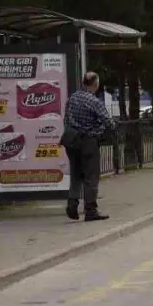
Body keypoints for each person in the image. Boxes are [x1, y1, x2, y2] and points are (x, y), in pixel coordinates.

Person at [61, 71, 115, 221]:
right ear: (96, 84)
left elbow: (65, 119)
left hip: (71, 140)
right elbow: (108, 122)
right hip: (88, 142)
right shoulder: (94, 101)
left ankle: (72, 204)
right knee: (91, 177)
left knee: (76, 174)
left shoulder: (72, 98)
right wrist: (104, 130)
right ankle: (90, 210)